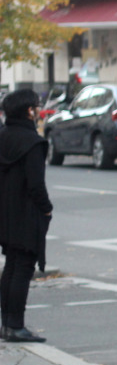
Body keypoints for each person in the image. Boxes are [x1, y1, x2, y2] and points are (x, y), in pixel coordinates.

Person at [0, 89, 54, 342]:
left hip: (6, 212)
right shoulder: (33, 143)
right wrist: (47, 208)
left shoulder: (4, 136)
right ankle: (16, 325)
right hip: (26, 213)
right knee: (22, 268)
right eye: (37, 106)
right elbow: (35, 184)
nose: (39, 110)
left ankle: (6, 324)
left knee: (11, 266)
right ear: (29, 111)